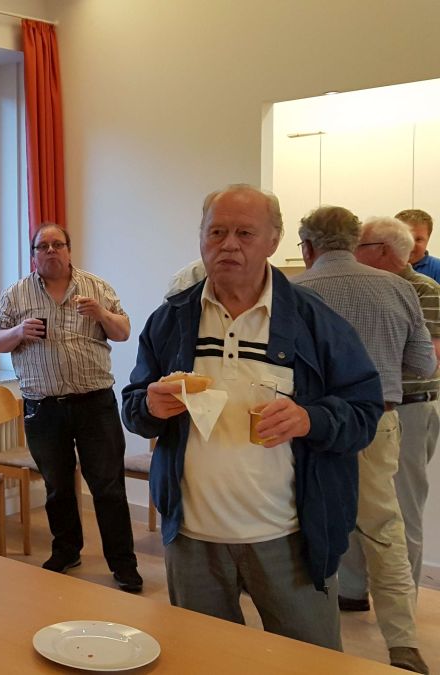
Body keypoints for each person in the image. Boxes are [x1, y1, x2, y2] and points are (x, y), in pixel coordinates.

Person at [121, 185, 383, 653]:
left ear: (273, 241)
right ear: (201, 237)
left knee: (309, 662)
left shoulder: (314, 321)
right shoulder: (170, 320)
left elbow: (364, 411)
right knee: (203, 659)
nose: (229, 245)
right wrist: (149, 408)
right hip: (193, 539)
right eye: (216, 232)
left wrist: (310, 419)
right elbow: (134, 404)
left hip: (289, 537)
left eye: (245, 233)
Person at [295, 207, 433, 674]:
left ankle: (316, 639)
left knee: (312, 526)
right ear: (355, 242)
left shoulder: (296, 293)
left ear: (307, 247)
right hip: (379, 421)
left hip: (313, 425)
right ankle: (403, 644)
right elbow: (424, 365)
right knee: (384, 529)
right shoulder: (399, 287)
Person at [0, 224, 142, 592]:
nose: (51, 250)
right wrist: (18, 332)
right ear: (34, 255)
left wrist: (101, 314)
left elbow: (123, 332)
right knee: (57, 487)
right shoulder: (16, 294)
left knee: (107, 486)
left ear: (69, 250)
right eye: (43, 246)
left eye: (57, 244)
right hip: (43, 408)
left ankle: (123, 564)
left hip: (95, 404)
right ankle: (66, 550)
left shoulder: (96, 288)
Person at [352, 216, 440, 598]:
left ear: (383, 251)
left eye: (360, 246)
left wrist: (371, 358)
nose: (352, 254)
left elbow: (429, 359)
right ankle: (353, 591)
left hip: (410, 409)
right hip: (369, 406)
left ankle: (404, 596)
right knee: (357, 502)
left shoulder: (425, 289)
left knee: (403, 507)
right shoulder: (366, 286)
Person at [400, 208, 440, 283]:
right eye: (405, 238)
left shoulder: (437, 269)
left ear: (428, 239)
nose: (411, 245)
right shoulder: (382, 268)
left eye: (418, 239)